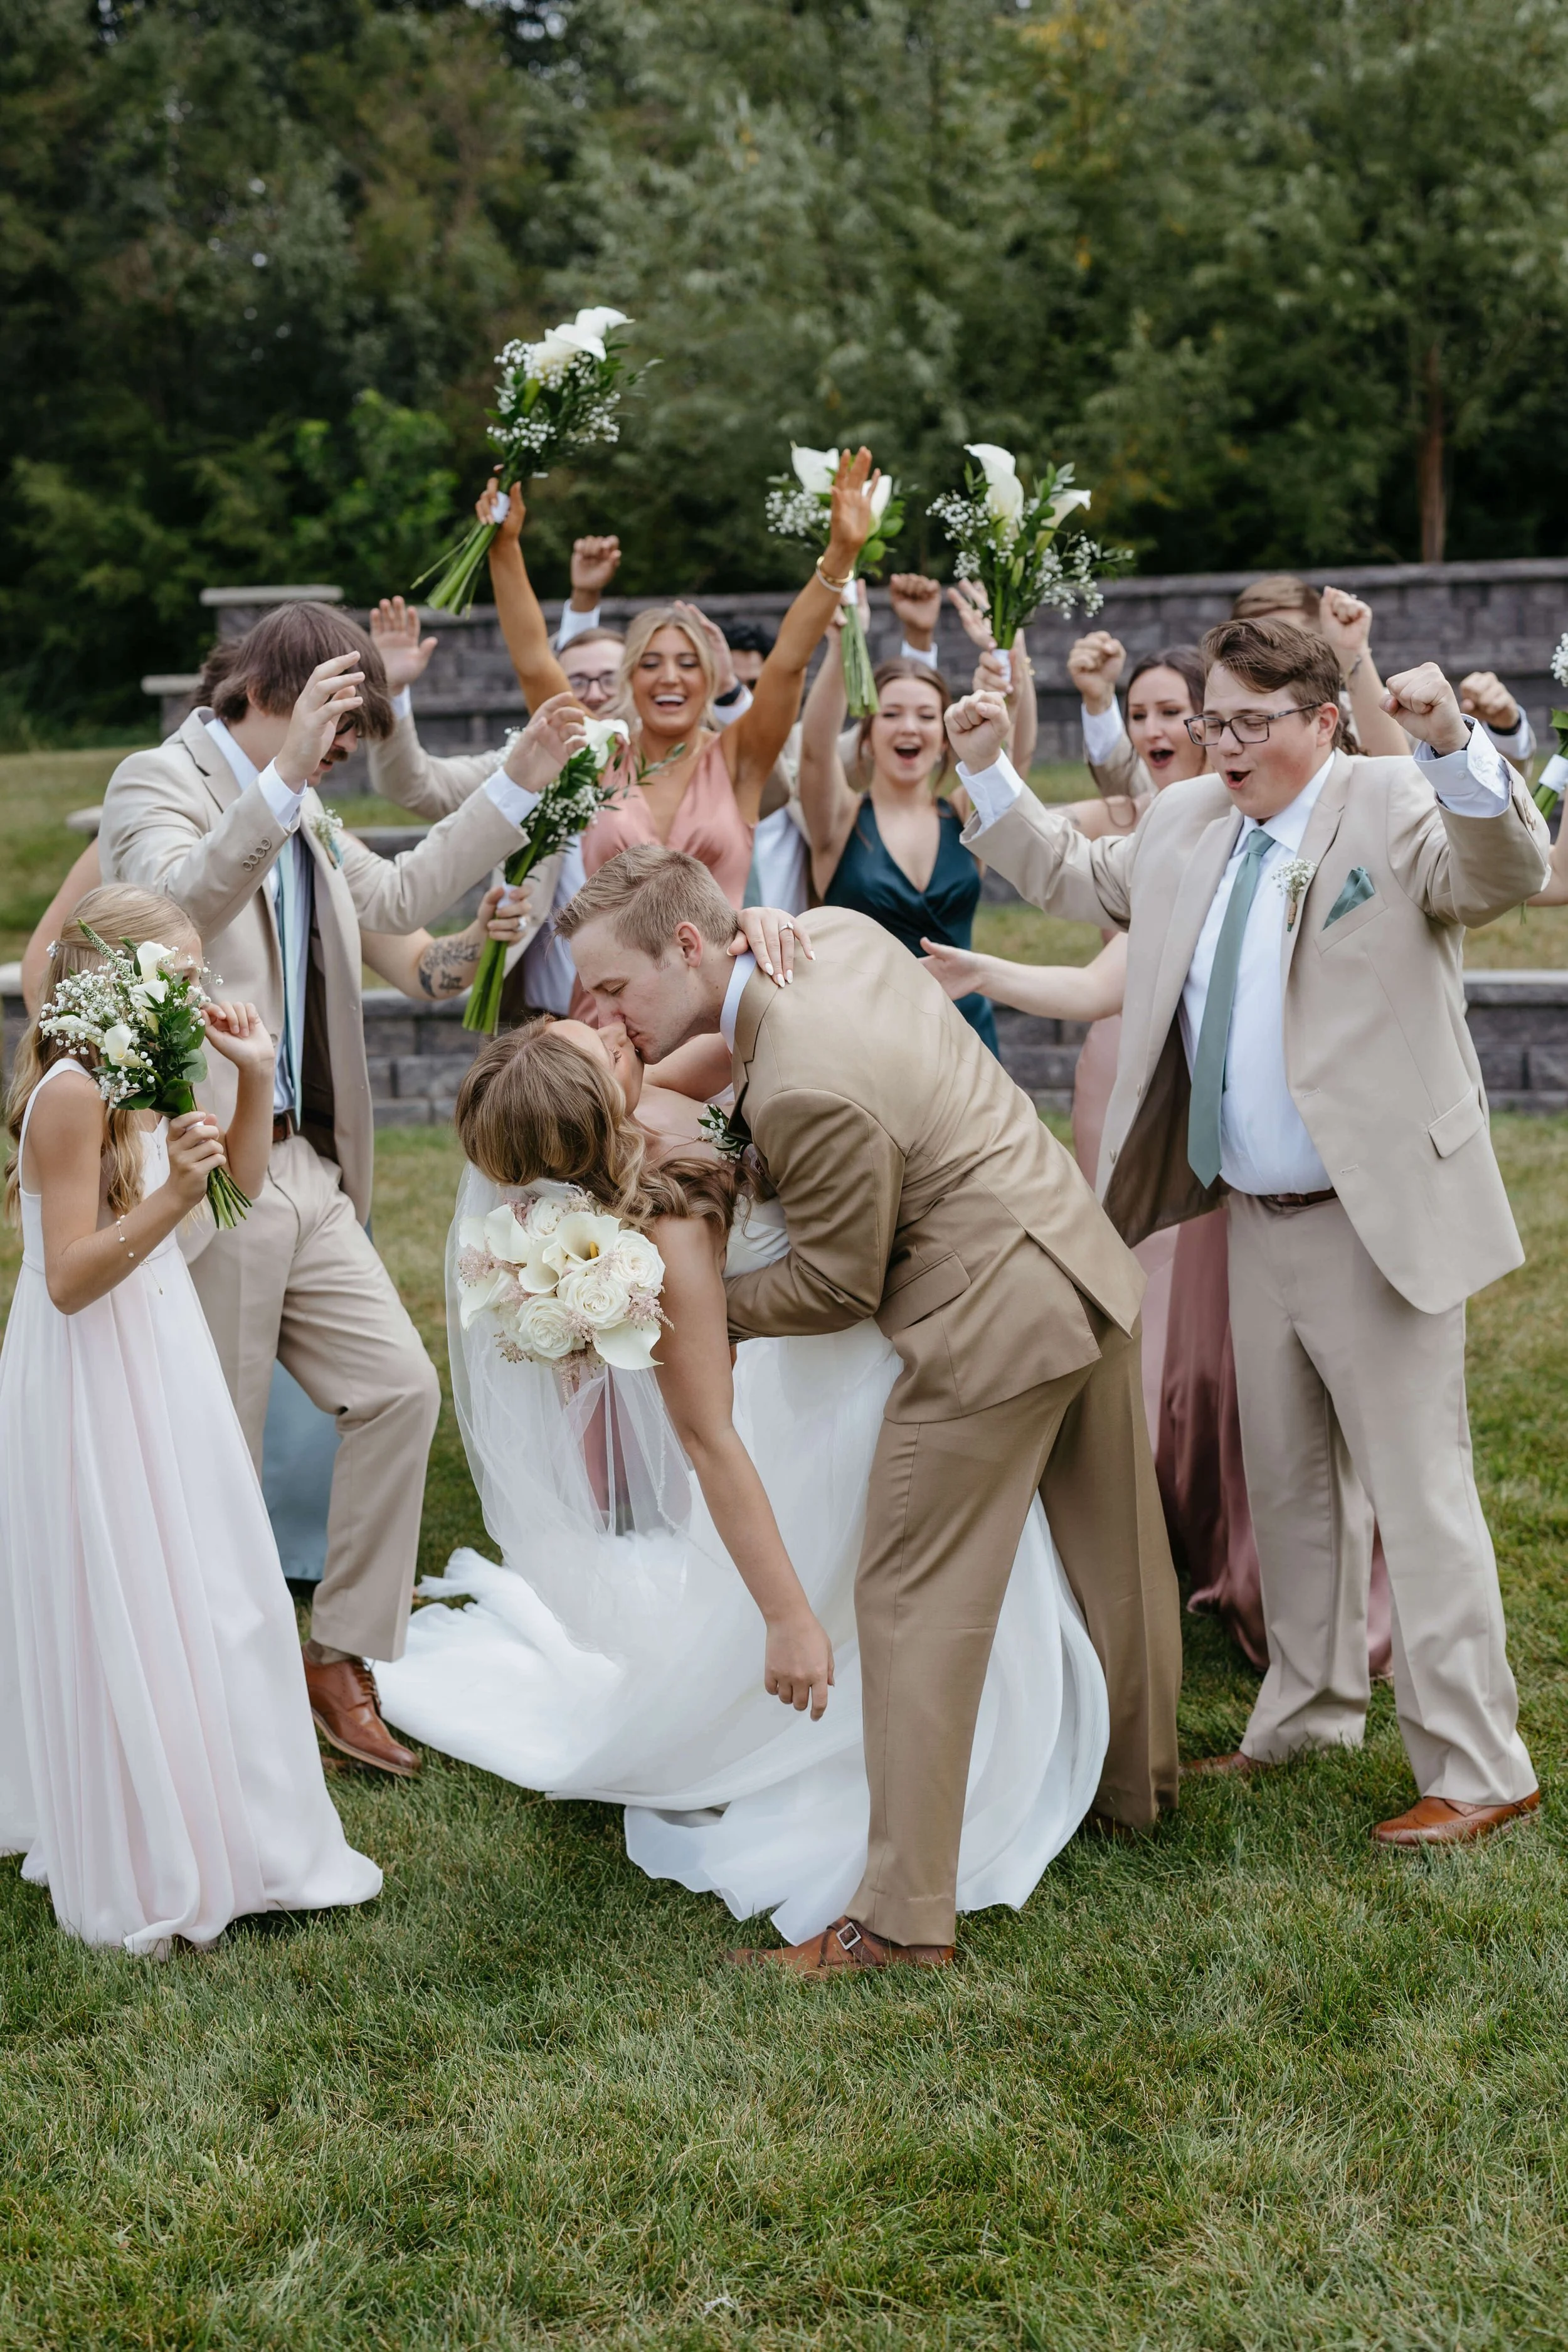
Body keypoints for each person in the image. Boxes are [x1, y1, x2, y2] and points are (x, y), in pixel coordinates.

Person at [945, 618, 1547, 1848]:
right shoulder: (1180, 825)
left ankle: (1479, 1766)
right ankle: (1307, 1712)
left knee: (1416, 1498)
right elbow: (1069, 872)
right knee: (1287, 1492)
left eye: (1245, 722)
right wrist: (985, 771)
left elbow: (1499, 876)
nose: (1217, 745)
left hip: (1372, 1215)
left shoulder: (1385, 800)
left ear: (1320, 723)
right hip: (1250, 1219)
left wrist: (1445, 747)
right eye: (1209, 720)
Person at [374, 992, 1110, 1948]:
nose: (609, 1030)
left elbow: (740, 1035)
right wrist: (786, 1617)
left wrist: (756, 954)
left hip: (874, 1342)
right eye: (594, 1048)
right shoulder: (670, 1235)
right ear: (598, 1117)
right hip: (827, 1405)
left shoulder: (655, 1086)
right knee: (873, 1595)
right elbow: (709, 1443)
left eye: (585, 1026)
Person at [558, 844, 1180, 1974]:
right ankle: (1138, 1792)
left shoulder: (805, 1079)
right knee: (1117, 1551)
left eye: (613, 988)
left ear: (692, 946)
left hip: (989, 1319)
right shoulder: (831, 934)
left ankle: (898, 1919)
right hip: (1078, 1255)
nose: (604, 1011)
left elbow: (838, 1283)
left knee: (906, 1595)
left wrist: (686, 1315)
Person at [97, 599, 590, 1777]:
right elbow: (169, 915)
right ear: (270, 689)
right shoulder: (153, 782)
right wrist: (277, 787)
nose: (343, 750)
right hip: (210, 1163)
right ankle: (193, 1688)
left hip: (308, 1161)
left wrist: (518, 786)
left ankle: (339, 1656)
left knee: (397, 1390)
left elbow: (400, 908)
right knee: (212, 1432)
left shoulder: (301, 804)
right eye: (334, 718)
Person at [0, 886, 381, 1954]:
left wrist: (254, 1078)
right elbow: (70, 1278)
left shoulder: (149, 1068)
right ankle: (142, 1838)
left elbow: (237, 1191)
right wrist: (170, 1200)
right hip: (90, 1362)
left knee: (210, 1579)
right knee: (129, 1584)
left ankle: (239, 1816)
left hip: (159, 1348)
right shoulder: (75, 1093)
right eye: (176, 972)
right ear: (115, 979)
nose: (196, 989)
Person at [478, 453, 881, 923]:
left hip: (718, 996)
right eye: (651, 663)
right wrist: (503, 548)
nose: (670, 676)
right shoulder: (596, 753)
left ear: (710, 679)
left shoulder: (740, 758)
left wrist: (839, 558)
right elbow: (534, 664)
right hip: (607, 995)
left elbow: (788, 665)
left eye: (687, 663)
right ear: (629, 678)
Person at [796, 617, 998, 1054]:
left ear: (945, 740)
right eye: (891, 715)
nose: (909, 727)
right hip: (864, 1037)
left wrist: (1008, 655)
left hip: (967, 1035)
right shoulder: (839, 819)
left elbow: (1014, 752)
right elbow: (814, 749)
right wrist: (838, 647)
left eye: (926, 716)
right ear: (866, 738)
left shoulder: (967, 814)